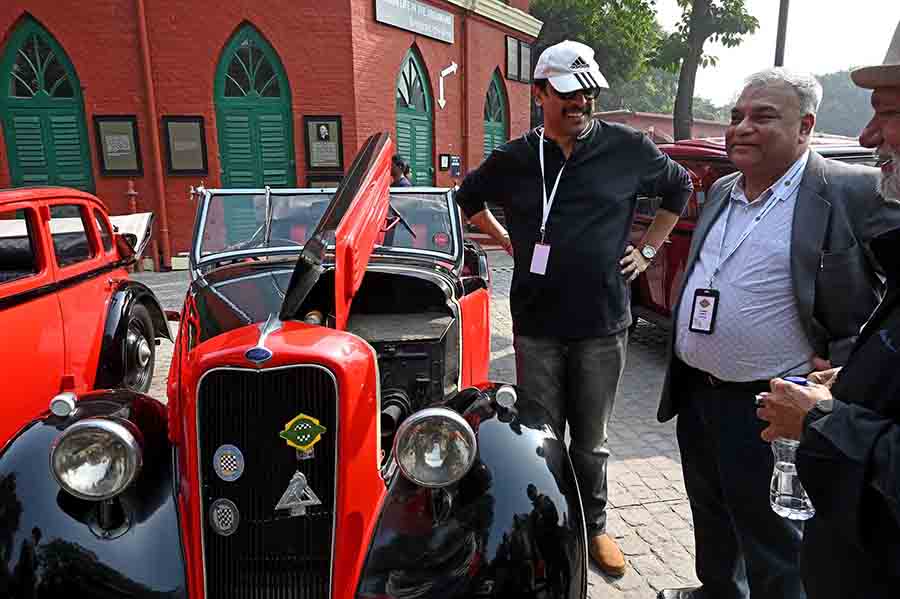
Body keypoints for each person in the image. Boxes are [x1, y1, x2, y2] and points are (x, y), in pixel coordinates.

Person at [655, 67, 900, 599]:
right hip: (699, 393)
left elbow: (889, 283)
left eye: (763, 116)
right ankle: (718, 591)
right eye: (736, 116)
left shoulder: (850, 188)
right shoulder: (721, 190)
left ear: (805, 126)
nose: (742, 128)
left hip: (772, 406)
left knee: (776, 539)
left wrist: (851, 361)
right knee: (712, 513)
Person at [454, 39, 693, 577]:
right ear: (539, 92)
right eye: (568, 93)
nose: (581, 103)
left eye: (588, 92)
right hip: (537, 323)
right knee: (539, 438)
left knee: (592, 442)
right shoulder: (516, 157)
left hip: (603, 324)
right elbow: (464, 199)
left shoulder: (629, 148)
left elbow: (680, 188)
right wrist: (507, 238)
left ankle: (596, 525)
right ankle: (546, 528)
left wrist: (649, 248)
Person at [757, 22, 900, 599]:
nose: (869, 136)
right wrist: (863, 382)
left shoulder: (850, 193)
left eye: (888, 112)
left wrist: (823, 422)